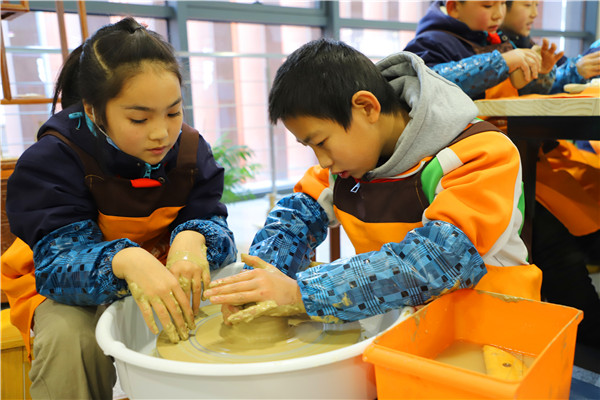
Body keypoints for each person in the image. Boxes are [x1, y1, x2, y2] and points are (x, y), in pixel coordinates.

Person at [203, 38, 542, 326]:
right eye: (310, 147)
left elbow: (438, 262)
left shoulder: (480, 153)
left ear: (366, 107)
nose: (322, 161)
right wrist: (259, 282)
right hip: (403, 326)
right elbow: (293, 220)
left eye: (321, 142)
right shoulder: (346, 166)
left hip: (490, 323)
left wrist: (301, 292)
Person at [1, 17, 237, 399]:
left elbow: (211, 219)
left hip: (158, 269)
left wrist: (193, 238)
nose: (161, 132)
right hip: (64, 286)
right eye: (139, 118)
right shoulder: (53, 159)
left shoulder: (191, 151)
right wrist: (126, 259)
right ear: (94, 111)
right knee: (71, 337)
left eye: (174, 112)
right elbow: (57, 265)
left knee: (222, 302)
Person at [403, 0, 563, 101]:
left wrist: (539, 74)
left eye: (502, 4)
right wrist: (501, 62)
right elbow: (426, 85)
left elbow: (519, 95)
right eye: (488, 5)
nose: (499, 15)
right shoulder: (430, 41)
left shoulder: (498, 39)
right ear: (454, 7)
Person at [499, 0, 600, 93]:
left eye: (536, 5)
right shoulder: (499, 49)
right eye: (528, 5)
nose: (535, 14)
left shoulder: (527, 45)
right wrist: (574, 72)